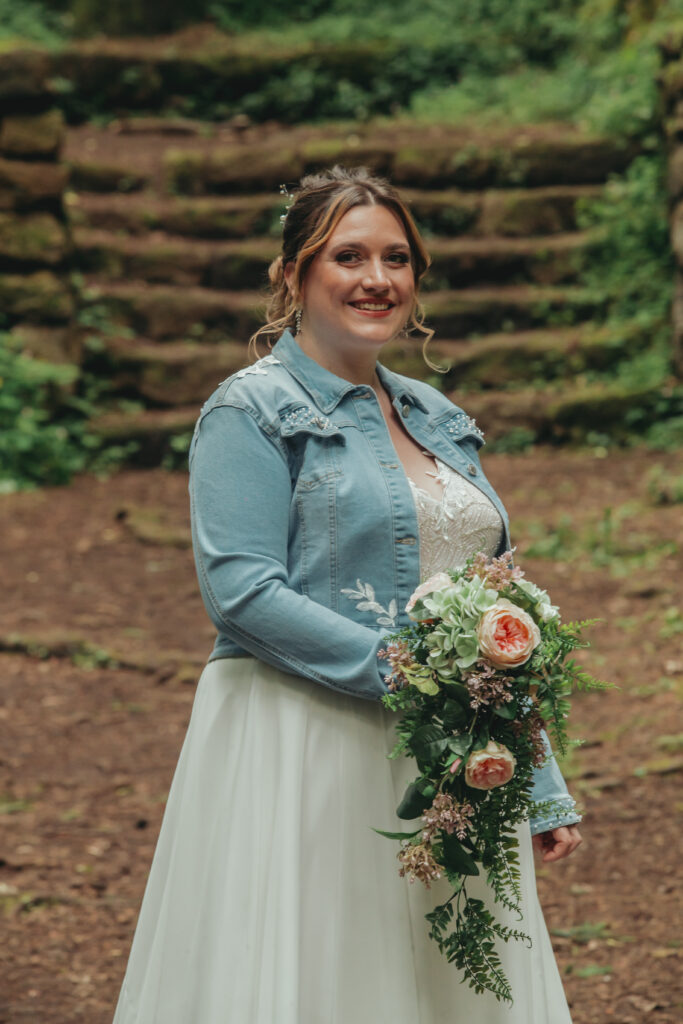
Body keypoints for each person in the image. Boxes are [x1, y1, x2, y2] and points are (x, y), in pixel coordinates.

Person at [113, 166, 582, 1024]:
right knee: (327, 970)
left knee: (453, 972)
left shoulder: (436, 415)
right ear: (294, 274)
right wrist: (410, 676)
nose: (377, 279)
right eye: (348, 256)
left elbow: (495, 605)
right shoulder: (248, 412)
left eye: (396, 258)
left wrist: (535, 775)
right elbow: (242, 593)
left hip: (446, 753)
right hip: (304, 741)